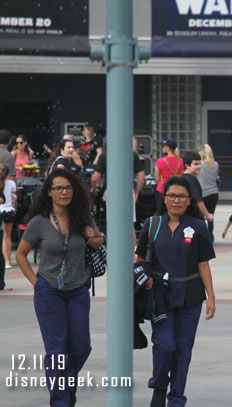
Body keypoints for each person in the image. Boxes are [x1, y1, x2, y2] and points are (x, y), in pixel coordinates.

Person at [15, 169, 104, 406]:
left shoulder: (82, 217)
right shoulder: (39, 222)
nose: (64, 192)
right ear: (49, 193)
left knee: (81, 346)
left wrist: (93, 236)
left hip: (77, 290)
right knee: (57, 351)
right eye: (58, 188)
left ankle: (65, 383)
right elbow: (21, 255)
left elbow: (97, 243)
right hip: (49, 291)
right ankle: (60, 401)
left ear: (74, 191)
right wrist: (36, 283)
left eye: (68, 188)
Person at [135, 176, 215, 407]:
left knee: (183, 351)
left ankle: (176, 398)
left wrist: (211, 296)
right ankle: (159, 385)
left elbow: (203, 263)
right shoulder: (152, 224)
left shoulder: (198, 227)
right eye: (172, 196)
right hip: (159, 297)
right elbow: (140, 260)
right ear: (165, 198)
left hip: (190, 296)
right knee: (164, 345)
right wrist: (145, 278)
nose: (176, 200)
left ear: (190, 200)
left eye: (182, 196)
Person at [91, 138, 146, 247]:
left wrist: (94, 189)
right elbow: (141, 176)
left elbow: (95, 178)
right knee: (130, 225)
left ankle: (114, 251)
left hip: (111, 191)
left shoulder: (105, 156)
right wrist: (136, 190)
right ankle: (131, 256)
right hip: (127, 190)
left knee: (112, 224)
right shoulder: (132, 155)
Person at [180, 151, 214, 223]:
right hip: (193, 217)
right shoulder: (192, 180)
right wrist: (208, 215)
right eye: (195, 164)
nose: (199, 166)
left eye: (199, 164)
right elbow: (198, 201)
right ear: (187, 165)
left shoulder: (181, 178)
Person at [198, 144, 220, 242]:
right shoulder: (215, 164)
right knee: (211, 216)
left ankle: (202, 236)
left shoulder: (199, 165)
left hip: (203, 193)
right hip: (214, 193)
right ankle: (210, 237)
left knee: (201, 216)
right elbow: (216, 177)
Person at [155, 139, 183, 211]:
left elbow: (157, 178)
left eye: (163, 146)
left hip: (162, 189)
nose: (162, 148)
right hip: (176, 189)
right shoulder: (181, 161)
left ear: (168, 148)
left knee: (161, 211)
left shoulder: (160, 161)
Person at [0, 164, 16, 270]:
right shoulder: (11, 183)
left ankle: (5, 259)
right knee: (8, 236)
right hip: (9, 210)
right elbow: (14, 197)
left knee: (2, 236)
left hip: (1, 210)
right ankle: (8, 259)